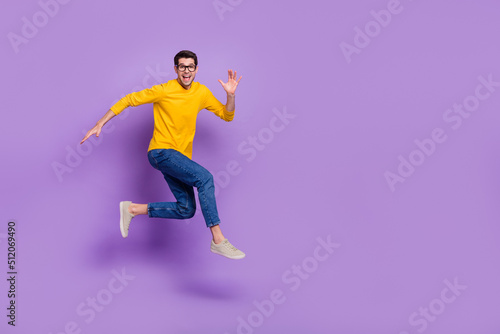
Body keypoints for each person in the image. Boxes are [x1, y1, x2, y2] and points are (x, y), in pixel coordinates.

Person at [80, 50, 245, 260]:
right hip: (161, 152)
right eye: (182, 66)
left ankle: (132, 209)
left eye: (190, 66)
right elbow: (129, 99)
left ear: (196, 69)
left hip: (179, 159)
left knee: (186, 209)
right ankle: (218, 239)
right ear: (176, 69)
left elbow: (226, 115)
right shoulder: (164, 90)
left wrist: (230, 96)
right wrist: (99, 123)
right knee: (206, 178)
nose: (187, 70)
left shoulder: (201, 93)